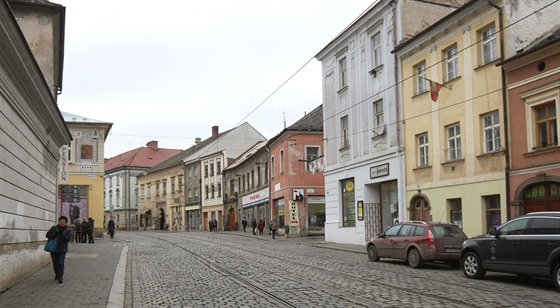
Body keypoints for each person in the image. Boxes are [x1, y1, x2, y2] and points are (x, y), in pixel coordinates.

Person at [46, 215, 72, 283]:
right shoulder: (54, 228)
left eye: (63, 222)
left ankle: (60, 277)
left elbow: (67, 239)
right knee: (55, 263)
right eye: (61, 221)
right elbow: (48, 235)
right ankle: (57, 274)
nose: (62, 223)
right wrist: (55, 233)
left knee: (60, 263)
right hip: (54, 249)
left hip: (62, 249)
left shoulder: (68, 230)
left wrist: (61, 234)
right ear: (58, 221)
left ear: (66, 223)